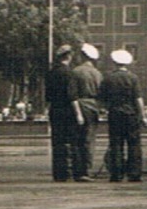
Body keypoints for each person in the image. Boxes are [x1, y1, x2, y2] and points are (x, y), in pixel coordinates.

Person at [99, 49, 147, 182]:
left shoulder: (108, 78)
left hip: (115, 114)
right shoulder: (133, 78)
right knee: (134, 144)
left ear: (114, 62)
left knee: (116, 144)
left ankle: (116, 173)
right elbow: (138, 98)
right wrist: (143, 116)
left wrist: (106, 108)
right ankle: (134, 173)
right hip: (131, 115)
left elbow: (102, 98)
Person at [69, 43, 103, 182]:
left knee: (77, 140)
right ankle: (87, 169)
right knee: (90, 139)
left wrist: (77, 113)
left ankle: (78, 171)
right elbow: (102, 94)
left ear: (83, 55)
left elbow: (72, 95)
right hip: (93, 107)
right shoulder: (98, 74)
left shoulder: (75, 72)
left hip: (80, 106)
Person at [44, 44, 76, 182]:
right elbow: (71, 95)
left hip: (54, 110)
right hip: (67, 110)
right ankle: (67, 172)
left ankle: (58, 172)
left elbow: (47, 96)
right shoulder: (69, 73)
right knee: (68, 142)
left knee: (57, 142)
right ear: (69, 56)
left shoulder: (51, 72)